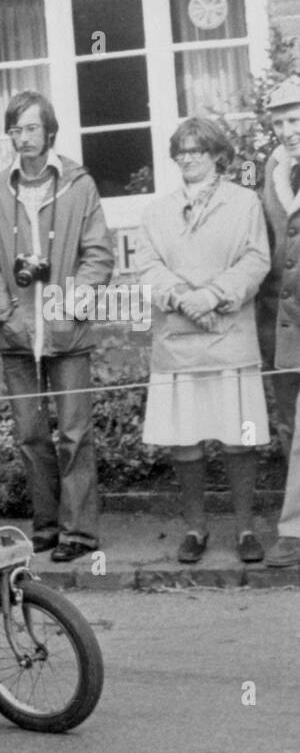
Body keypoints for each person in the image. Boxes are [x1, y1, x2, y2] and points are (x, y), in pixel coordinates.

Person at [0, 90, 114, 562]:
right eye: (15, 129)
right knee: (30, 435)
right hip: (16, 333)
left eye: (31, 128)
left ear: (49, 131)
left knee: (74, 433)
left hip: (66, 329)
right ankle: (47, 525)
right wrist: (5, 312)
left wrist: (69, 304)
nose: (23, 137)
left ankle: (80, 532)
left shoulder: (78, 184)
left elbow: (98, 254)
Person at [136, 119, 271, 563]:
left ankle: (246, 529)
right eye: (181, 151)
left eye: (198, 150)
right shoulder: (157, 211)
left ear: (217, 155)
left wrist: (213, 295)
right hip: (178, 339)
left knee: (238, 437)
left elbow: (256, 259)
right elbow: (148, 266)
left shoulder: (245, 202)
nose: (189, 158)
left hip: (228, 334)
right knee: (186, 439)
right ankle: (196, 529)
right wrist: (181, 298)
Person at [257, 76, 300, 567]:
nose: (288, 130)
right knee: (289, 425)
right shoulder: (271, 170)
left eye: (295, 119)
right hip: (277, 322)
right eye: (280, 121)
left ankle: (292, 531)